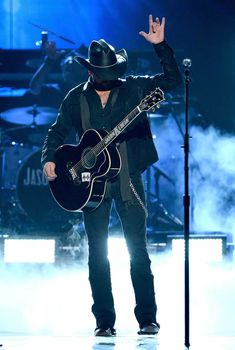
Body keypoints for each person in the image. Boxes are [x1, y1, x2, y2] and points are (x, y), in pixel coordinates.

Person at [42, 15, 182, 336]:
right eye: (102, 73)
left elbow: (171, 80)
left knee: (138, 252)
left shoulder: (134, 88)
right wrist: (50, 158)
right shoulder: (76, 97)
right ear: (91, 71)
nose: (108, 78)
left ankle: (148, 318)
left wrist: (161, 47)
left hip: (127, 180)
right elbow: (58, 130)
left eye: (112, 72)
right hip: (90, 185)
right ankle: (104, 322)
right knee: (98, 255)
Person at [28, 40, 87, 108]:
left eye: (72, 68)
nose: (69, 64)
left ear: (83, 70)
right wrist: (49, 60)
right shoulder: (56, 90)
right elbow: (34, 89)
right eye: (66, 68)